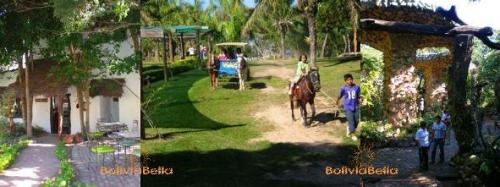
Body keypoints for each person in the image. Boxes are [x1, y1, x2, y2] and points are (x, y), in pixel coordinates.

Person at [336, 74, 361, 140]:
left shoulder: (357, 87)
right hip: (347, 108)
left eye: (351, 79)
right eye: (348, 80)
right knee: (351, 121)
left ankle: (349, 128)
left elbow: (359, 96)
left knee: (357, 121)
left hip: (356, 107)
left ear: (352, 79)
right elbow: (339, 96)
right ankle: (353, 134)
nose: (350, 81)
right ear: (345, 81)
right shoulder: (343, 88)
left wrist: (361, 99)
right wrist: (337, 103)